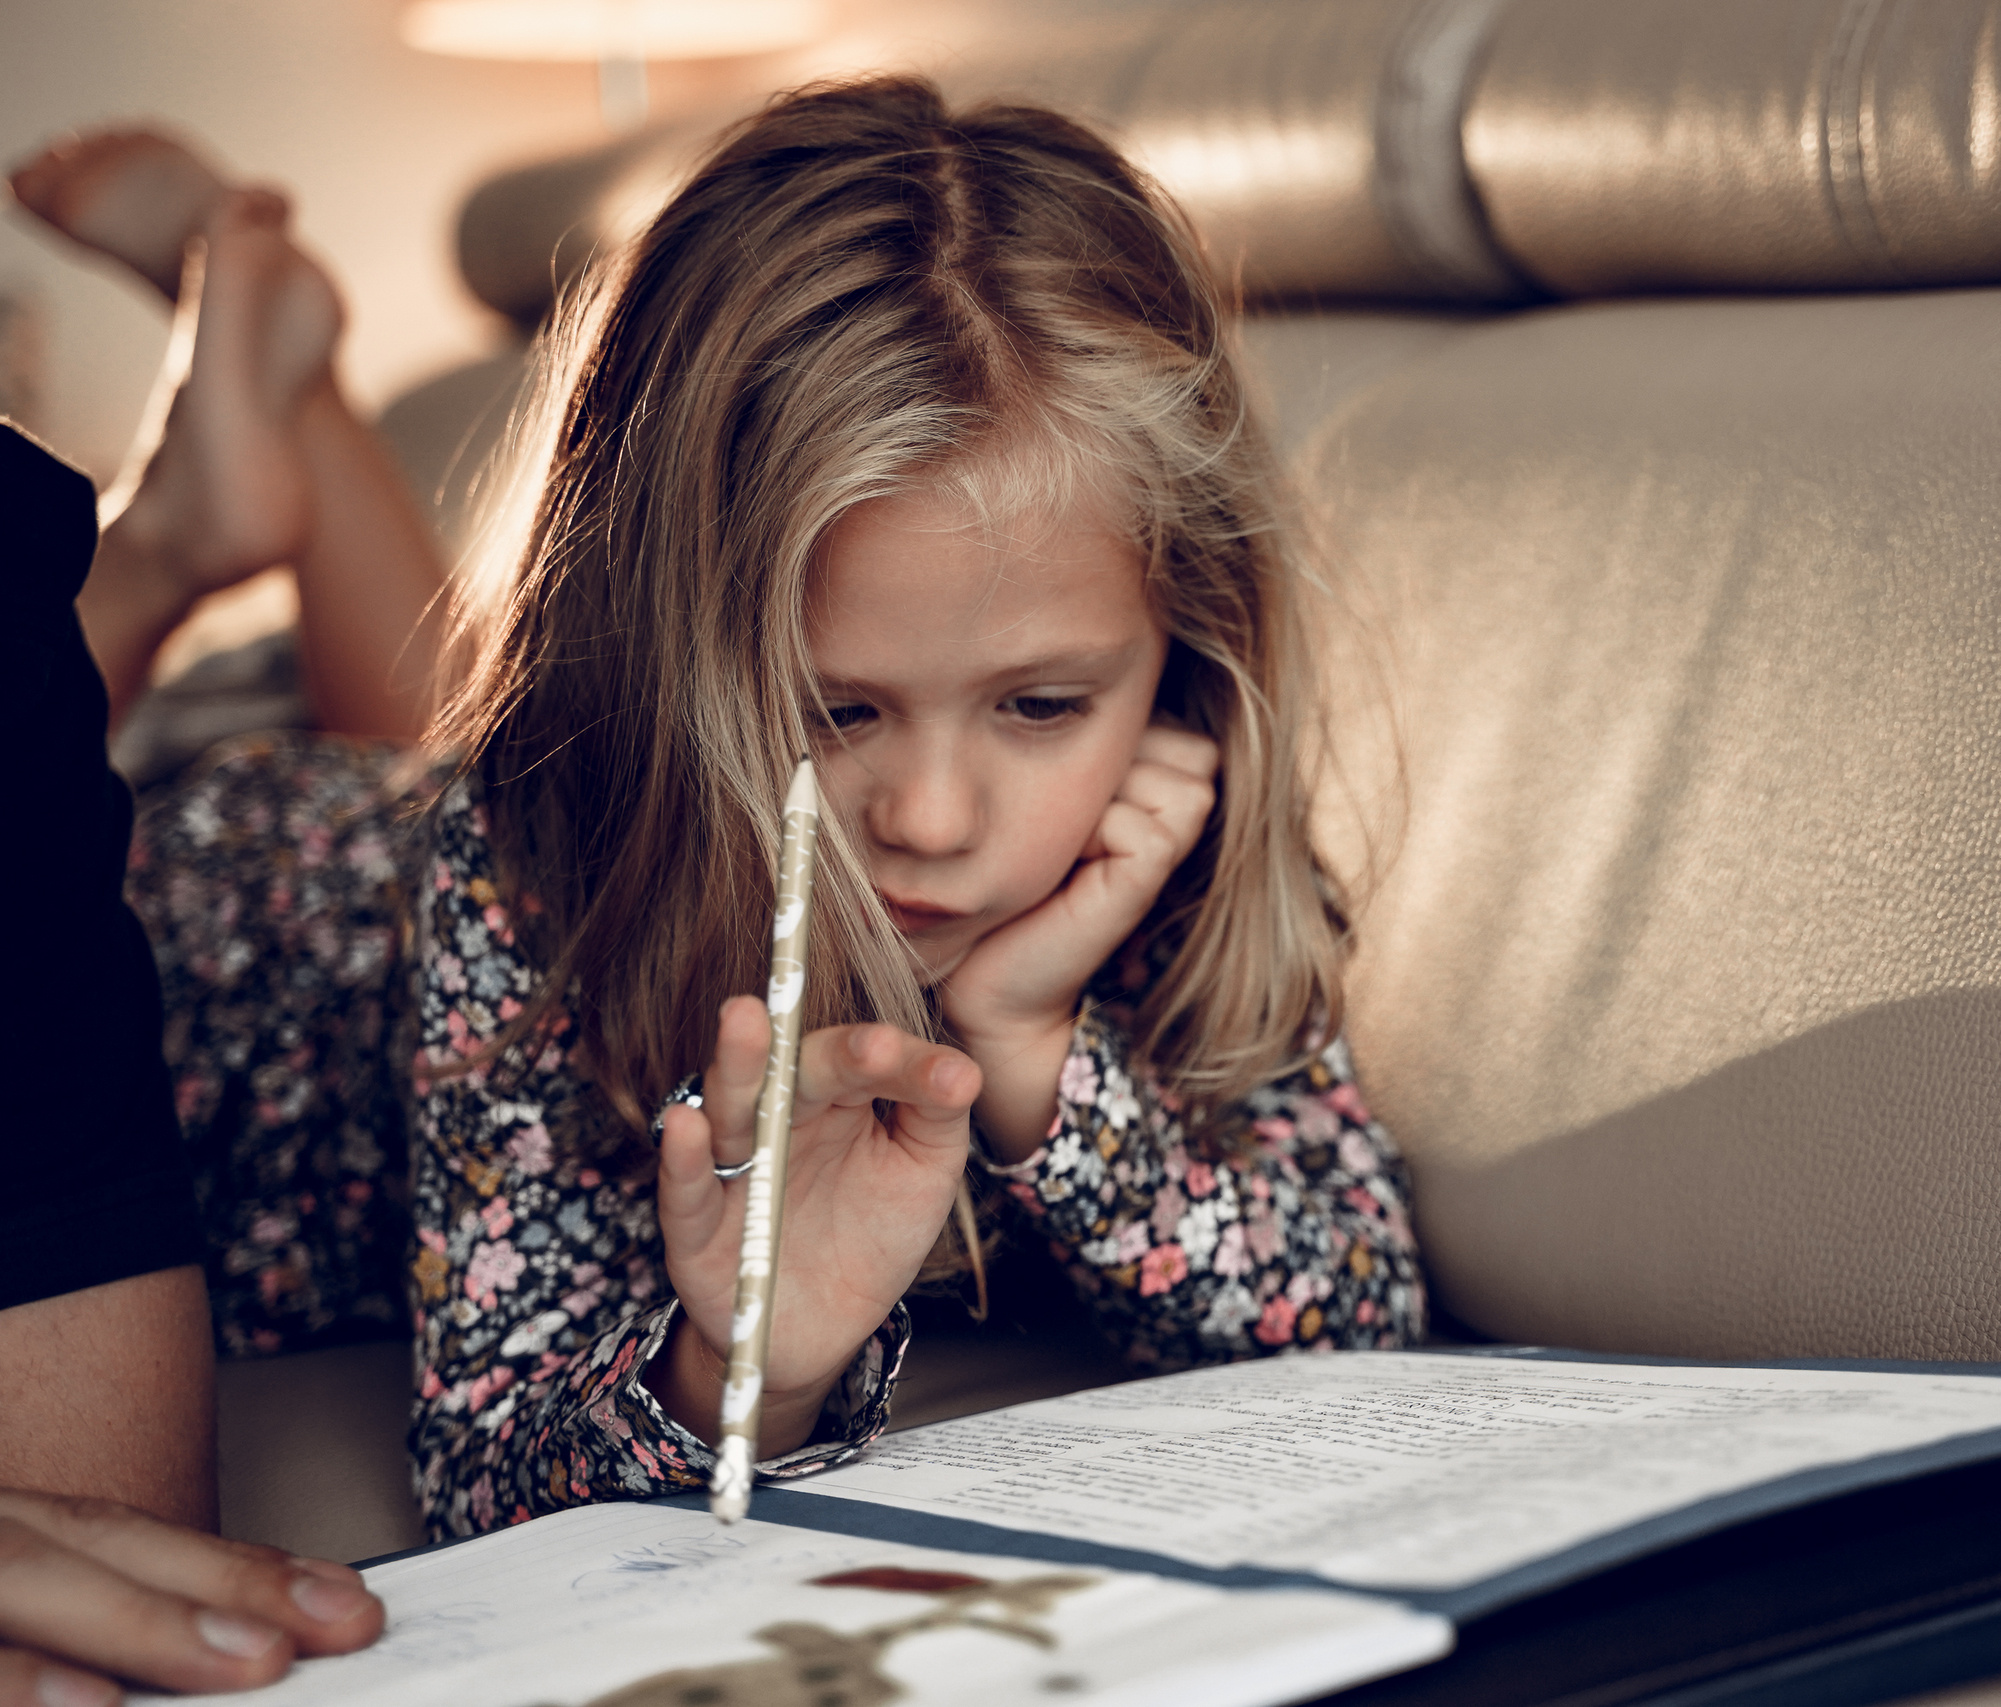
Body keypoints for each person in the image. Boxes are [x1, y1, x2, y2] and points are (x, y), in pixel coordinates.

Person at [17, 78, 1426, 1550]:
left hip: (445, 808)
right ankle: (175, 532)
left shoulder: (1167, 825)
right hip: (247, 904)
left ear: (1186, 641)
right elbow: (484, 1454)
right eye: (836, 709)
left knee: (438, 745)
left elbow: (1358, 1305)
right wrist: (740, 1362)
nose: (936, 821)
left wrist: (1032, 1054)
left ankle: (261, 424)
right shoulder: (519, 860)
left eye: (1039, 706)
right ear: (650, 649)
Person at [0, 418, 385, 1704]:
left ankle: (177, 532)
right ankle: (179, 529)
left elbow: (93, 1607)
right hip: (254, 869)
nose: (927, 817)